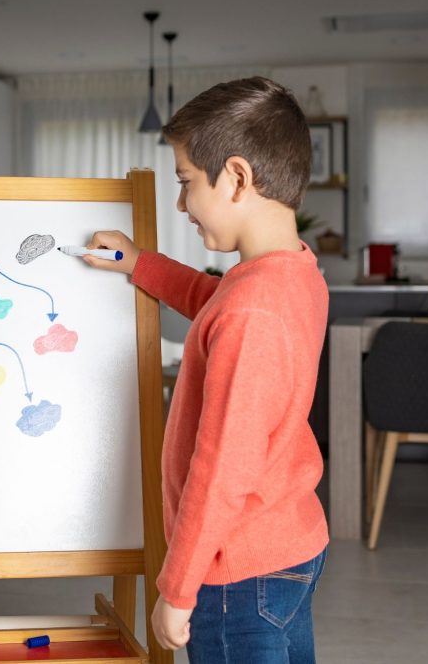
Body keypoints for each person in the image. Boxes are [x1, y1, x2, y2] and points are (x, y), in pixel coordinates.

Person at [84, 77, 329, 663]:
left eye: (186, 182)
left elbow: (222, 468)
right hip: (286, 546)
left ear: (237, 177)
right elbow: (210, 299)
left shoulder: (252, 311)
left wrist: (178, 586)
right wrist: (139, 262)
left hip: (235, 573)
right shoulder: (291, 272)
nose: (179, 205)